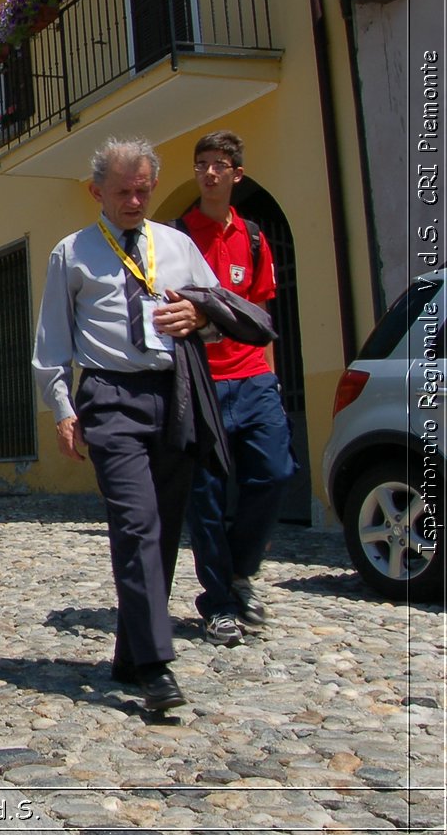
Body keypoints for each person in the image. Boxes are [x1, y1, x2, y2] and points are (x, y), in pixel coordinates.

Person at [31, 137, 219, 712]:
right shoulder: (72, 253)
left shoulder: (179, 245)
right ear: (96, 192)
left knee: (163, 527)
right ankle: (159, 667)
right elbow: (51, 345)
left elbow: (219, 314)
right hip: (110, 396)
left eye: (142, 190)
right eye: (122, 192)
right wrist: (63, 409)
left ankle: (133, 650)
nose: (134, 201)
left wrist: (200, 315)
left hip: (176, 392)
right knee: (135, 524)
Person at [179, 130, 296, 644]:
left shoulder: (252, 237)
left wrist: (270, 373)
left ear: (235, 173)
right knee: (204, 496)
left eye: (219, 164)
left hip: (253, 379)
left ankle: (239, 569)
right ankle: (219, 602)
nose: (209, 172)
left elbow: (262, 314)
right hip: (201, 382)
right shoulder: (177, 236)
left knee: (273, 474)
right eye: (202, 163)